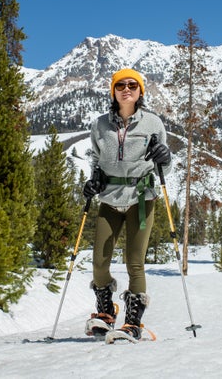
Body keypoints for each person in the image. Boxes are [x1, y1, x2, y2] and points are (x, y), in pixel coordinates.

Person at [83, 68, 172, 341]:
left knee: (135, 262)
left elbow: (163, 166)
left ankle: (133, 323)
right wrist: (93, 181)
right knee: (99, 262)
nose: (127, 89)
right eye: (120, 85)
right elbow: (96, 160)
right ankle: (106, 313)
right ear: (113, 91)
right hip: (109, 199)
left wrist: (164, 156)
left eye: (133, 85)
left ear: (140, 91)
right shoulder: (99, 125)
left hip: (141, 200)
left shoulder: (153, 124)